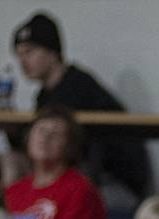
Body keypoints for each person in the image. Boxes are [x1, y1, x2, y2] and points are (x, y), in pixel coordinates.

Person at [10, 11, 151, 203]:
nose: (23, 63)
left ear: (52, 52)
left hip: (113, 183)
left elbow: (93, 154)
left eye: (29, 52)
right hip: (83, 178)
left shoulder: (80, 87)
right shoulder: (44, 95)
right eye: (19, 55)